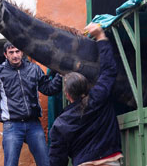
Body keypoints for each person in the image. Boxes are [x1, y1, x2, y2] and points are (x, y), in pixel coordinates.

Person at [49, 23, 123, 166]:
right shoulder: (99, 96)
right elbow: (109, 70)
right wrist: (100, 36)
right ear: (86, 87)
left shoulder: (61, 124)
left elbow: (56, 160)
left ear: (67, 95)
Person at [0, 41, 62, 166]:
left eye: (17, 51)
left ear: (22, 52)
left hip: (34, 124)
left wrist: (60, 75)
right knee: (10, 164)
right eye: (11, 52)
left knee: (45, 163)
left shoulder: (33, 69)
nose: (15, 55)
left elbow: (48, 89)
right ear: (5, 54)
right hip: (12, 125)